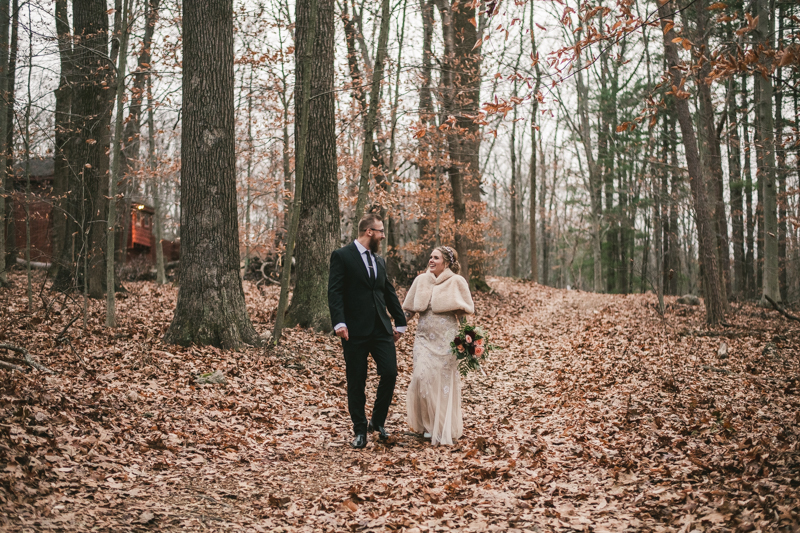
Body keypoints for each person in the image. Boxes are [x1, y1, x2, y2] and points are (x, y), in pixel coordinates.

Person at [328, 214, 407, 449]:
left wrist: (400, 322)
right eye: (380, 231)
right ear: (368, 231)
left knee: (390, 373)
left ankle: (378, 421)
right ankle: (360, 430)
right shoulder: (342, 256)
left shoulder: (379, 261)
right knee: (356, 380)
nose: (383, 235)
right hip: (354, 331)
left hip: (381, 329)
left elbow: (388, 292)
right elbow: (335, 292)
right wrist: (339, 323)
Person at [403, 246, 474, 445]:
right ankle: (426, 424)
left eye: (436, 258)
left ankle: (438, 427)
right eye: (430, 257)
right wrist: (398, 327)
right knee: (421, 377)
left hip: (447, 341)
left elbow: (463, 315)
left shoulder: (456, 281)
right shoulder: (421, 280)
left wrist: (469, 339)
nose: (431, 260)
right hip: (424, 339)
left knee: (441, 384)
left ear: (447, 262)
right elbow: (409, 310)